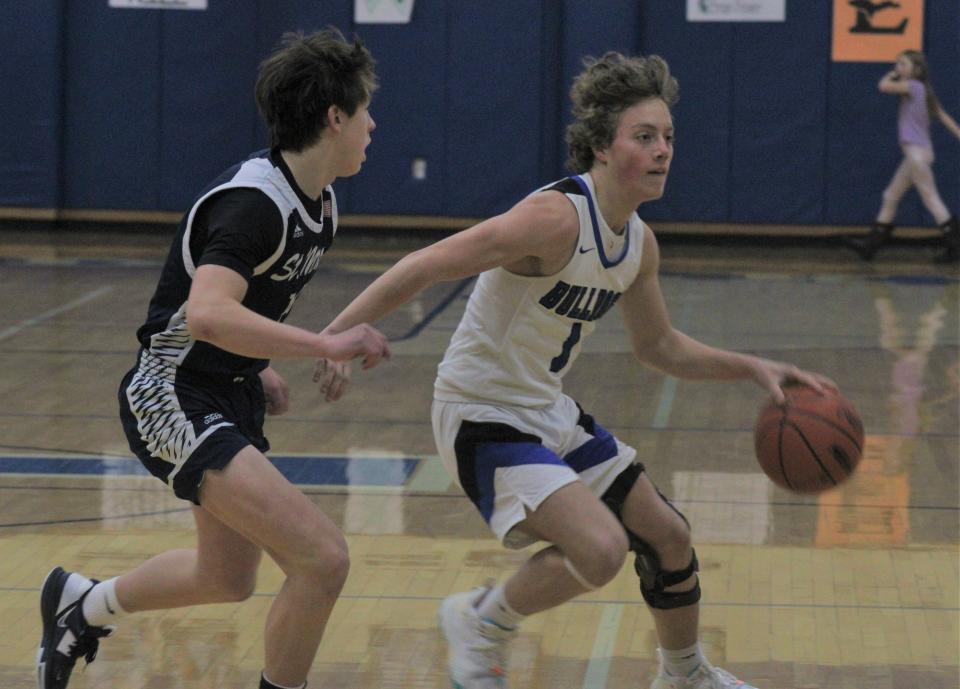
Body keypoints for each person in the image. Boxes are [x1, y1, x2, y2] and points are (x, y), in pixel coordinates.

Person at [323, 52, 834, 689]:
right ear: (599, 145)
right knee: (600, 550)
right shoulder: (555, 218)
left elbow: (661, 347)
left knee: (669, 535)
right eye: (643, 137)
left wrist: (754, 368)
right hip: (481, 411)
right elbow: (426, 263)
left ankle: (683, 675)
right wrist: (332, 338)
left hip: (545, 409)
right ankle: (482, 620)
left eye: (668, 137)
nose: (662, 151)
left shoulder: (639, 242)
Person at [36, 28, 390, 689]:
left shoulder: (321, 203)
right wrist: (323, 343)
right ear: (336, 116)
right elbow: (206, 312)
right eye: (366, 108)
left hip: (224, 389)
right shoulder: (254, 202)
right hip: (170, 393)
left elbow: (247, 305)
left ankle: (80, 604)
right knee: (322, 559)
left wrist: (256, 363)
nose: (375, 123)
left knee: (226, 577)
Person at [846, 50, 960, 263]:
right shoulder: (924, 91)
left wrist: (891, 75)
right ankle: (870, 245)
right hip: (919, 154)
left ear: (916, 70)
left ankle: (955, 246)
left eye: (902, 64)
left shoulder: (914, 86)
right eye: (896, 63)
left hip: (917, 155)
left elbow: (883, 85)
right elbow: (945, 118)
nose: (898, 67)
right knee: (890, 195)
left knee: (931, 198)